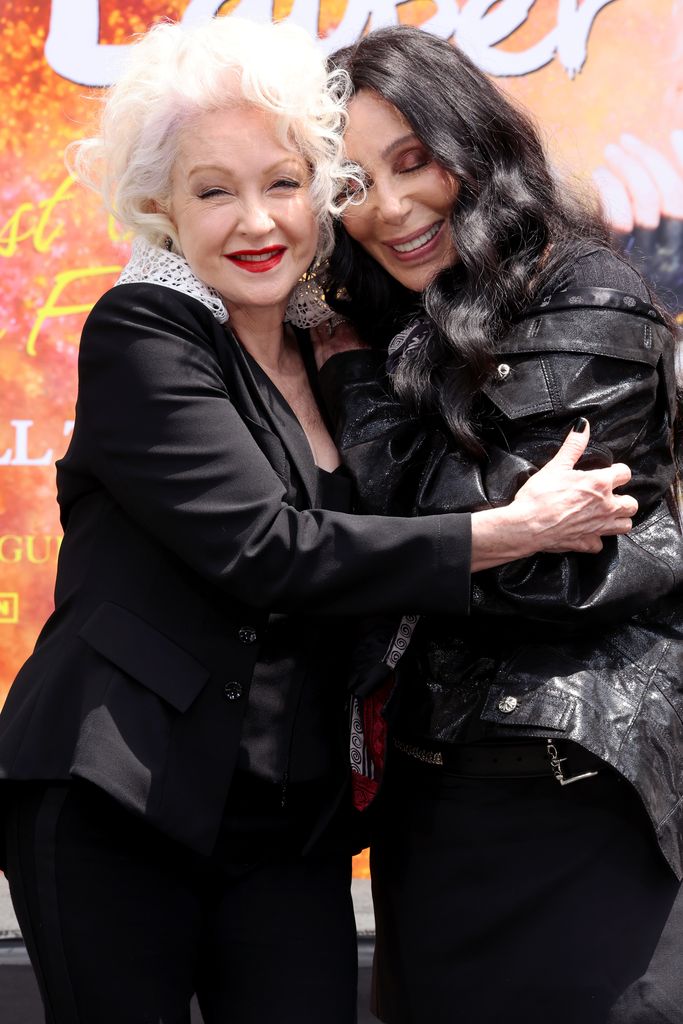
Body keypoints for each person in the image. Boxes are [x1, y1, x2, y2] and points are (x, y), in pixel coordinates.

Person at [0, 16, 635, 1024]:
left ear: (320, 194)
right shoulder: (144, 329)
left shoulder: (339, 348)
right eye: (214, 191)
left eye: (282, 183)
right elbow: (263, 549)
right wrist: (503, 532)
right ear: (161, 205)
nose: (256, 221)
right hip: (118, 795)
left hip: (287, 820)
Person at [312, 25, 683, 1024]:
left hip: (565, 786)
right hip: (434, 800)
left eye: (411, 160)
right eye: (348, 182)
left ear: (472, 144)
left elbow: (543, 576)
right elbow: (406, 547)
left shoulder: (581, 285)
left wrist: (357, 388)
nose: (387, 208)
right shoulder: (399, 322)